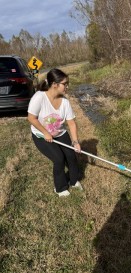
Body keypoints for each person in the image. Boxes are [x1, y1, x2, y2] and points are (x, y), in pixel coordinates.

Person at [27, 68, 83, 197]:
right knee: (59, 158)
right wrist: (45, 132)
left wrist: (75, 142)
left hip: (60, 133)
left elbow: (71, 123)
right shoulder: (39, 97)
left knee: (71, 155)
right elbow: (31, 118)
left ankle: (73, 181)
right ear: (54, 84)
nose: (67, 87)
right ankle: (60, 188)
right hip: (41, 135)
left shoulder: (65, 102)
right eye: (65, 84)